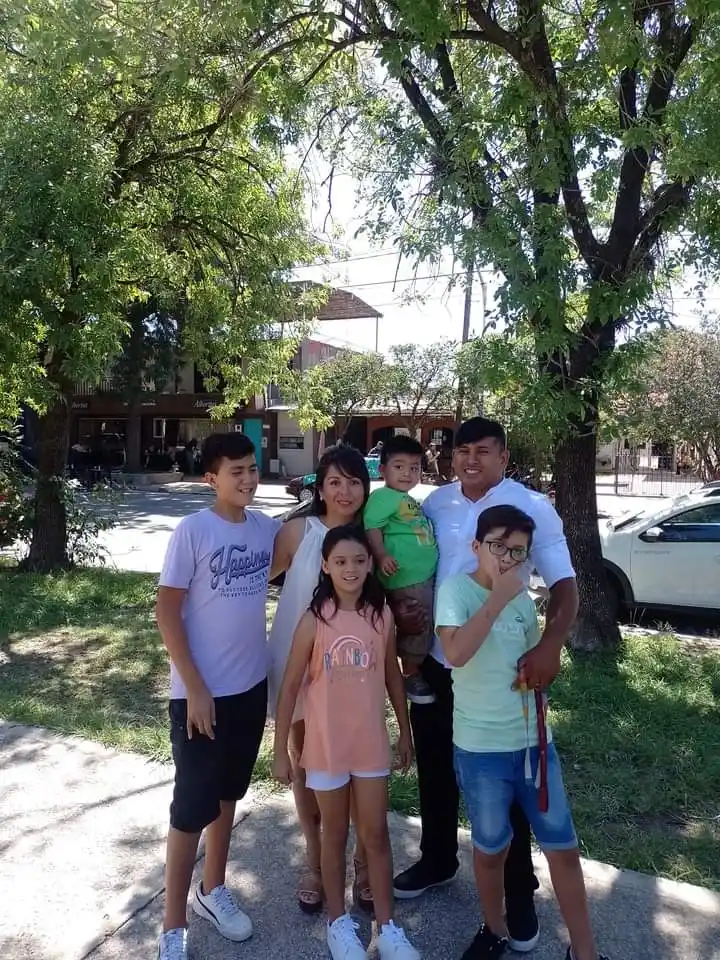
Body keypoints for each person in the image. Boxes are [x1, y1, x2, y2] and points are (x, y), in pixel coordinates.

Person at [393, 417, 579, 956]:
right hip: (439, 657)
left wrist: (551, 646)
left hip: (501, 673)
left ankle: (519, 893)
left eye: (483, 451)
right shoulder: (435, 504)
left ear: (503, 455)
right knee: (435, 767)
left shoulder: (532, 508)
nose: (470, 459)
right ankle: (437, 858)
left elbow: (565, 584)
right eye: (461, 450)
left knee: (507, 783)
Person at [437, 505, 608, 960]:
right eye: (498, 547)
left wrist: (535, 674)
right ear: (476, 547)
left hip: (535, 746)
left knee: (563, 848)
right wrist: (495, 599)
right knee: (491, 848)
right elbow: (455, 653)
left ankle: (585, 952)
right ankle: (494, 928)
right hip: (481, 751)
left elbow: (529, 657)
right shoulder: (457, 591)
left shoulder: (522, 602)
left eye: (518, 552)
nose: (508, 559)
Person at [155, 432, 280, 960]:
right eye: (236, 471)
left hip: (250, 688)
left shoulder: (265, 530)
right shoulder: (194, 530)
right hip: (199, 697)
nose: (248, 479)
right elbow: (167, 610)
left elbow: (301, 550)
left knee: (229, 796)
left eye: (252, 469)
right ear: (211, 477)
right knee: (190, 808)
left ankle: (213, 889)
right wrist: (197, 689)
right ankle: (172, 925)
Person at [273, 525, 420, 960]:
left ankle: (387, 928)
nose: (350, 569)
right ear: (325, 566)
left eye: (358, 560)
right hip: (325, 747)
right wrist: (281, 749)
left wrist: (404, 730)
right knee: (333, 834)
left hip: (370, 745)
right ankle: (338, 925)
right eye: (340, 561)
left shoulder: (381, 616)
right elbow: (289, 687)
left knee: (376, 834)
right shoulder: (313, 619)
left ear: (370, 563)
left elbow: (392, 676)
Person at [268, 445, 375, 914]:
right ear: (320, 485)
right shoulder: (297, 531)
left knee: (354, 766)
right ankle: (313, 860)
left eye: (354, 481)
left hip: (353, 674)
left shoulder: (376, 536)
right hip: (296, 664)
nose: (345, 491)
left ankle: (362, 862)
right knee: (308, 768)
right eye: (335, 481)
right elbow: (252, 580)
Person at [364, 434, 438, 705]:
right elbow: (372, 527)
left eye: (415, 467)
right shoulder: (383, 496)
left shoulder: (404, 498)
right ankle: (411, 673)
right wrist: (381, 555)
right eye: (399, 466)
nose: (408, 473)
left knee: (425, 621)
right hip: (405, 578)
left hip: (421, 576)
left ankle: (417, 666)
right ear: (383, 470)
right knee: (417, 621)